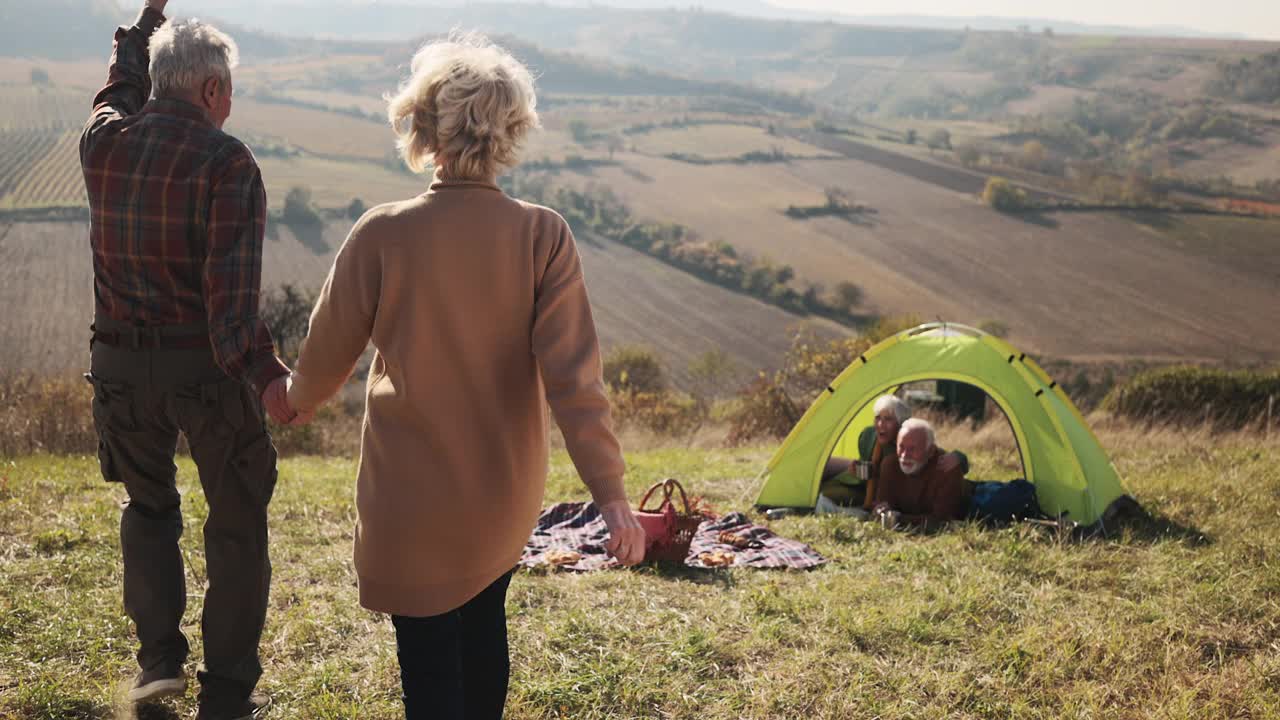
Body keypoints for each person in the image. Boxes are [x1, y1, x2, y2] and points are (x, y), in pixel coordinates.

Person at [278, 33, 645, 720]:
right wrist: (612, 497)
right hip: (500, 498)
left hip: (407, 502)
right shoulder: (544, 236)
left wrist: (288, 398)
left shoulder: (380, 233)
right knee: (483, 634)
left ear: (421, 124)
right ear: (511, 131)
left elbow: (320, 367)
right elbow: (575, 382)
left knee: (428, 666)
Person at [80, 2, 300, 718]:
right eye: (228, 89)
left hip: (117, 369)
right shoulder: (226, 161)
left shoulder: (103, 144)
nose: (230, 102)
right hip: (202, 370)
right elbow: (230, 309)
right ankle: (228, 692)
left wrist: (143, 26)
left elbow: (116, 90)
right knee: (236, 521)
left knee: (147, 509)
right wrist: (270, 379)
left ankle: (157, 661)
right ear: (210, 91)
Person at [816, 394, 965, 513]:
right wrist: (860, 470)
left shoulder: (908, 443)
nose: (881, 424)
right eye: (878, 418)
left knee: (826, 497)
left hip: (888, 497)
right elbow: (866, 467)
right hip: (864, 487)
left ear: (901, 423)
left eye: (888, 419)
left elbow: (934, 454)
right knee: (821, 492)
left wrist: (959, 457)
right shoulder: (868, 437)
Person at [870, 419, 969, 531]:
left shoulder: (948, 469)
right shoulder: (889, 465)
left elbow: (941, 521)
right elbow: (883, 505)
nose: (905, 455)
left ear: (931, 451)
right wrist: (880, 510)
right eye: (901, 447)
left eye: (912, 449)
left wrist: (900, 519)